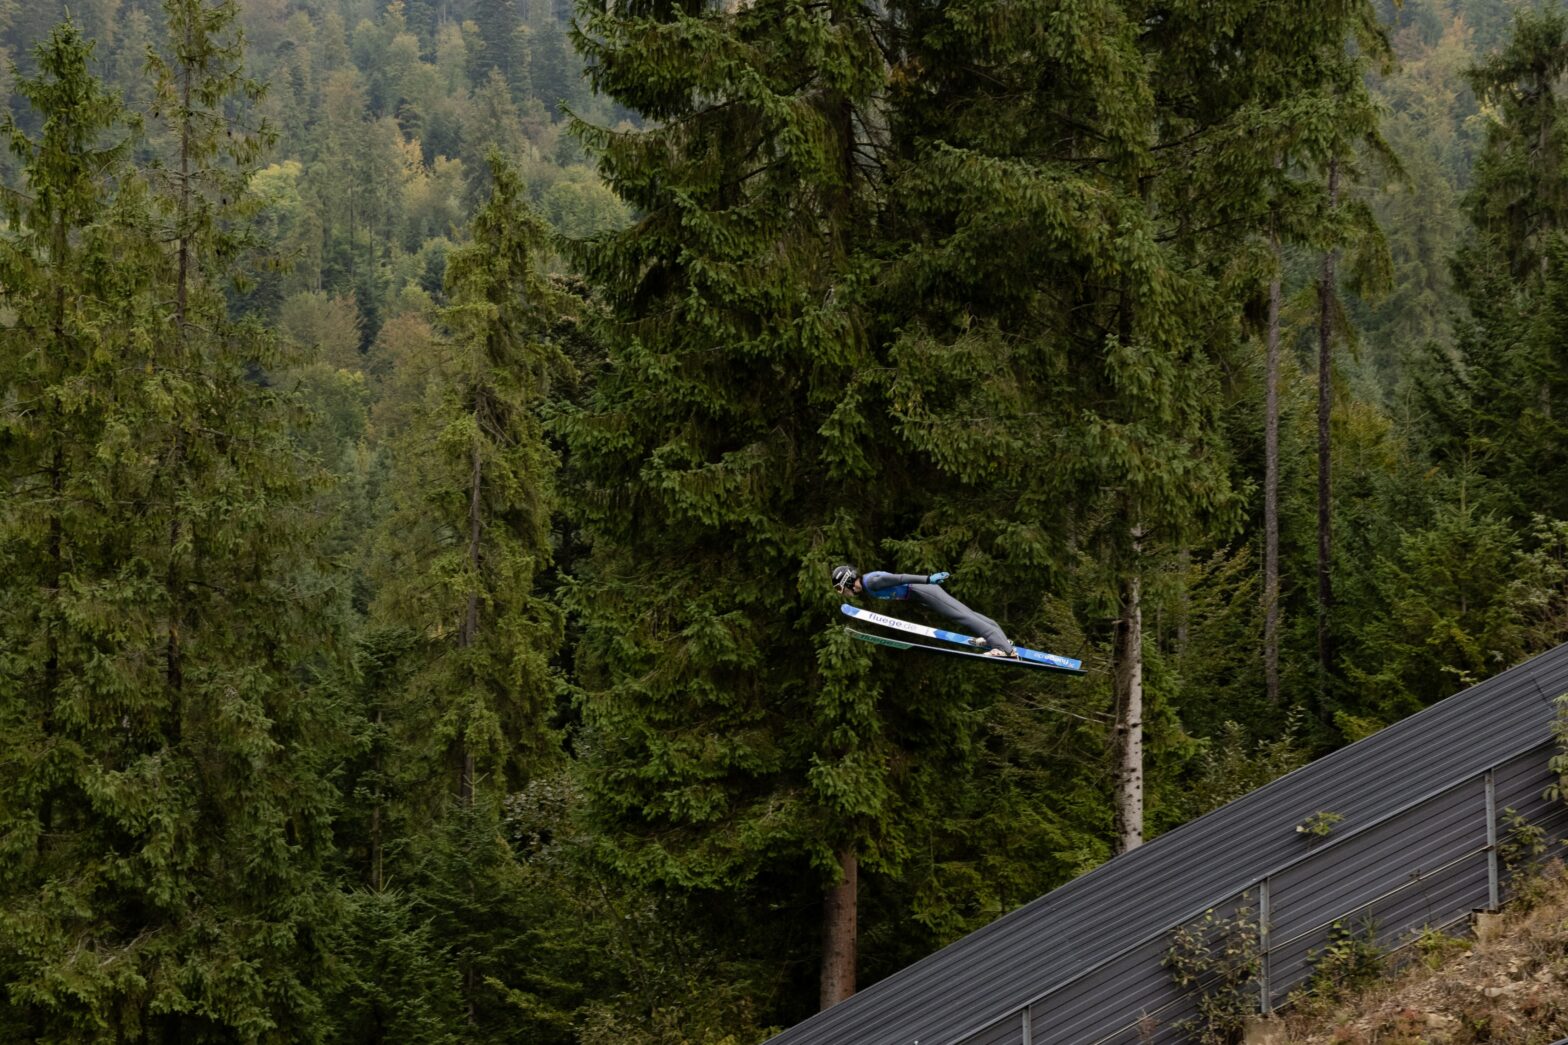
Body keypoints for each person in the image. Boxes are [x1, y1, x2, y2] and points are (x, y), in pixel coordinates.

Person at [832, 564, 1018, 658]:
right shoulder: (868, 584)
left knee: (961, 615)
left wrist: (928, 579)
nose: (844, 592)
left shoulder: (871, 582)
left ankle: (1003, 648)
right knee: (965, 613)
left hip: (923, 590)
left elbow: (900, 578)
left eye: (841, 588)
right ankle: (998, 638)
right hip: (922, 594)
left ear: (848, 580)